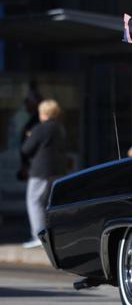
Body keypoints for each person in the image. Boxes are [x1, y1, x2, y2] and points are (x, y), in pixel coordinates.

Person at [20, 99, 68, 248]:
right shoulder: (60, 128)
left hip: (40, 171)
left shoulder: (40, 129)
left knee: (34, 202)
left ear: (43, 113)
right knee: (49, 203)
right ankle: (52, 236)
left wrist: (30, 136)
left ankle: (38, 236)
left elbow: (26, 149)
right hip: (57, 170)